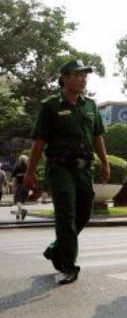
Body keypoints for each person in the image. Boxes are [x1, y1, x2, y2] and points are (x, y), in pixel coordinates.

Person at [23, 59, 110, 284]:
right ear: (64, 77)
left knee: (84, 213)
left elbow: (97, 136)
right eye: (78, 74)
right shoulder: (51, 106)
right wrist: (29, 172)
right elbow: (39, 142)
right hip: (60, 169)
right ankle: (68, 265)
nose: (83, 79)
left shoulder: (90, 106)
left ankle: (56, 248)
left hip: (84, 169)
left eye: (85, 75)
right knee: (66, 216)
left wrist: (105, 162)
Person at [12, 156, 29, 221]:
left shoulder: (17, 167)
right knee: (21, 202)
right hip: (26, 187)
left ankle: (23, 210)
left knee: (17, 201)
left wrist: (13, 187)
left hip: (19, 186)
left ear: (20, 160)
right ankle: (18, 215)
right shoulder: (28, 168)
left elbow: (14, 178)